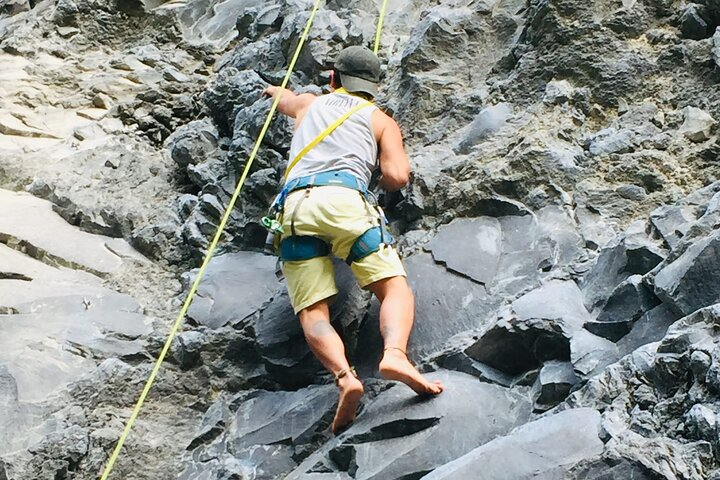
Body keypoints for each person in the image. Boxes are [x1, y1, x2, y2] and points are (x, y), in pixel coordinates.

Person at [264, 45, 443, 433]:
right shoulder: (380, 119)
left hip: (295, 208)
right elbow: (397, 177)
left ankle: (345, 378)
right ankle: (395, 355)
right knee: (393, 288)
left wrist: (275, 93)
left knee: (313, 311)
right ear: (373, 87)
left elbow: (285, 99)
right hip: (346, 202)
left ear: (333, 78)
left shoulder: (308, 104)